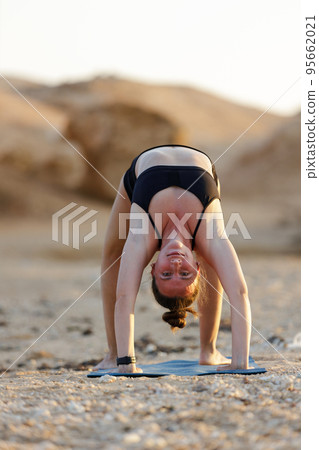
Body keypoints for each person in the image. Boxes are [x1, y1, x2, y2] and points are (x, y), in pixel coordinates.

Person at [94, 145, 252, 373]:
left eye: (167, 274)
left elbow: (124, 297)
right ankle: (209, 351)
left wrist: (125, 362)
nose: (176, 264)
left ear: (152, 267)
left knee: (112, 253)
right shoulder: (210, 238)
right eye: (185, 273)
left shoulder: (142, 240)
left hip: (143, 171)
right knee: (213, 257)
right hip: (204, 174)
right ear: (195, 269)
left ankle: (113, 354)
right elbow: (239, 293)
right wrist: (240, 362)